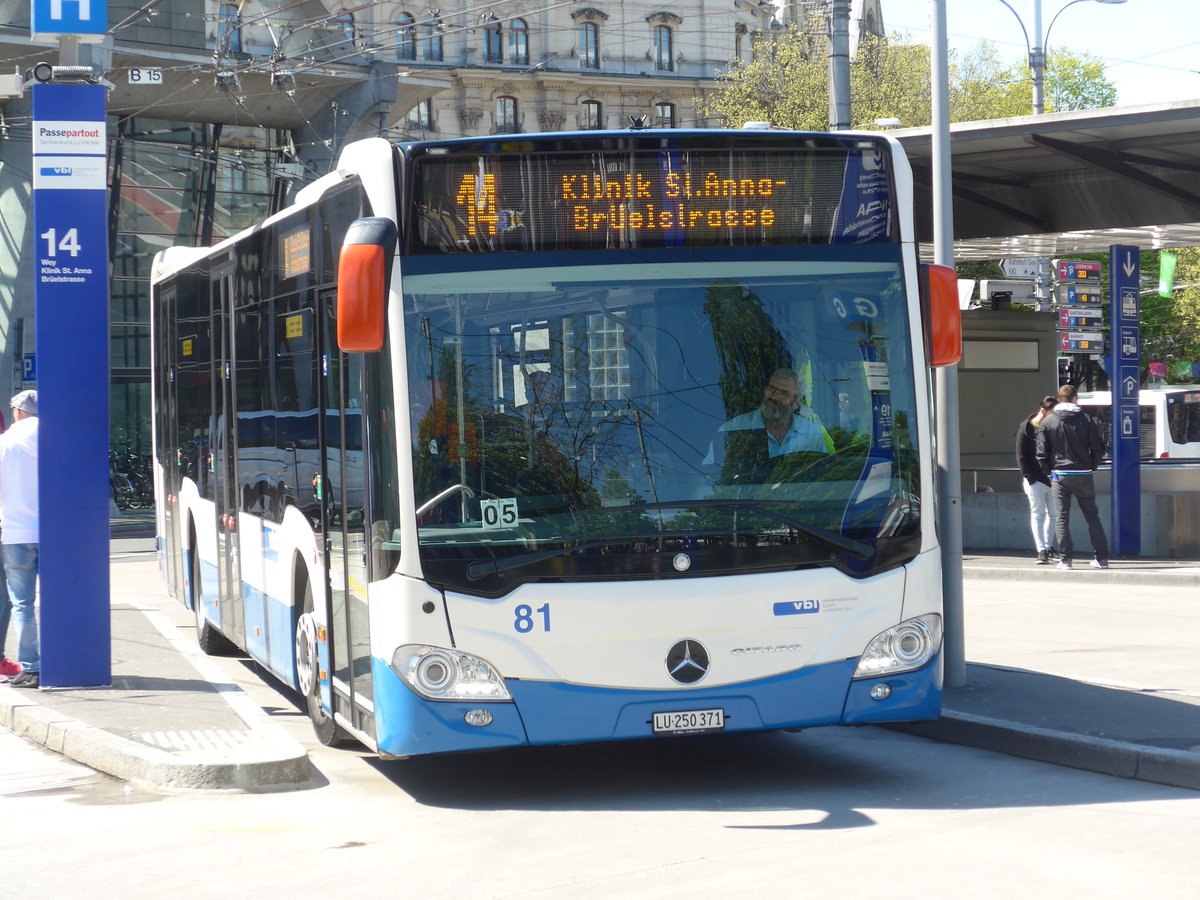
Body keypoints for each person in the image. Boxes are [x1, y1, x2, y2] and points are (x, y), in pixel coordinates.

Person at [1036, 383, 1109, 571]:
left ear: (1059, 399)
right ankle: (1101, 559)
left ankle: (1065, 560)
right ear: (1075, 398)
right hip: (1083, 474)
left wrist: (1048, 471)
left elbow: (1041, 452)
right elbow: (1099, 448)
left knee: (1062, 518)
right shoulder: (1086, 419)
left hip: (1060, 475)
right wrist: (1091, 466)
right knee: (1092, 516)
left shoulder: (1048, 421)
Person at [1, 390, 39, 687]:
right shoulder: (54, 438)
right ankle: (62, 658)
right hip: (53, 532)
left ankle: (31, 666)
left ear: (17, 411)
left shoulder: (5, 443)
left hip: (15, 532)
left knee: (22, 603)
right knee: (57, 599)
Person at [716, 367, 835, 457]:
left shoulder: (811, 433)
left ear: (796, 402)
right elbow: (707, 481)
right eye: (771, 388)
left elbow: (823, 474)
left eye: (783, 393)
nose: (773, 397)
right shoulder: (734, 428)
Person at [1015, 395, 1058, 565]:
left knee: (1053, 515)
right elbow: (1021, 456)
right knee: (1038, 514)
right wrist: (1029, 478)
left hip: (1051, 479)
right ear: (1043, 411)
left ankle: (1048, 547)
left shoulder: (1051, 428)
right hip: (1036, 480)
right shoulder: (1025, 429)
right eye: (1051, 414)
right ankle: (1042, 550)